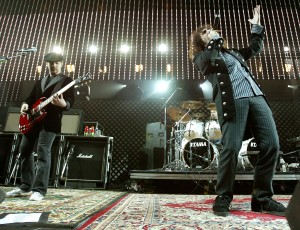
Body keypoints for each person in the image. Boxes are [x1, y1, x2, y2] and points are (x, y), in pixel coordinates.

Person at [189, 5, 286, 216]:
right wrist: (213, 39)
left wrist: (257, 27)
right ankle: (223, 196)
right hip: (234, 102)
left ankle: (262, 199)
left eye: (210, 29)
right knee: (230, 148)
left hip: (256, 97)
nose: (210, 32)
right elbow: (211, 58)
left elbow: (254, 47)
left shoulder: (232, 53)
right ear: (200, 41)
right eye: (204, 32)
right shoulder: (202, 58)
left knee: (271, 145)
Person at [6, 52, 74, 201]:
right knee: (24, 151)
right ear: (47, 64)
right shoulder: (40, 81)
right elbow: (30, 99)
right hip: (33, 121)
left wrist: (64, 104)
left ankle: (40, 190)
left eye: (56, 62)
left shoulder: (67, 81)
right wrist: (25, 105)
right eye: (50, 63)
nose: (53, 65)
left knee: (43, 152)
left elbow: (70, 101)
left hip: (50, 123)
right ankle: (25, 187)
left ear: (62, 63)